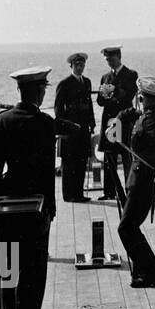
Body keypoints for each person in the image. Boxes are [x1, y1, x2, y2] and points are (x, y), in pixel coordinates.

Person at [0, 66, 81, 309]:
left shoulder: (0, 122)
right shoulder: (45, 123)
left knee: (9, 271)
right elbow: (72, 130)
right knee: (34, 273)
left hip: (7, 210)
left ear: (19, 91)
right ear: (39, 92)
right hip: (36, 210)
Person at [115, 76, 155, 288]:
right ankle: (143, 270)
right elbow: (131, 114)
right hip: (140, 177)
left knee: (126, 228)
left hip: (144, 179)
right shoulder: (152, 114)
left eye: (141, 98)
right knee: (131, 226)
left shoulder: (151, 120)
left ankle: (152, 273)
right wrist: (120, 119)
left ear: (144, 98)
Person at [96, 45, 138, 200]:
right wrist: (104, 95)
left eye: (111, 59)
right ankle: (109, 192)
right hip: (109, 121)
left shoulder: (131, 74)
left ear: (119, 57)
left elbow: (129, 96)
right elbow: (100, 101)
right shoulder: (105, 77)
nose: (109, 63)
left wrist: (113, 92)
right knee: (109, 156)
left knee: (126, 154)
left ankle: (130, 190)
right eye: (107, 60)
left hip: (124, 121)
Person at [54, 51, 95, 202]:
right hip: (70, 130)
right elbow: (58, 109)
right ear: (71, 65)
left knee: (82, 161)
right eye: (77, 65)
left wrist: (92, 121)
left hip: (83, 129)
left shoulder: (87, 82)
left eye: (82, 64)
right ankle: (68, 195)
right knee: (69, 163)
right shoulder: (64, 84)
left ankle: (78, 193)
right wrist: (64, 127)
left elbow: (89, 104)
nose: (80, 67)